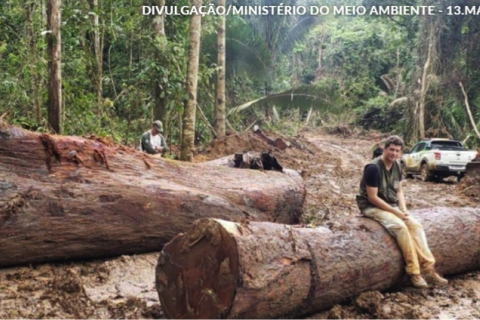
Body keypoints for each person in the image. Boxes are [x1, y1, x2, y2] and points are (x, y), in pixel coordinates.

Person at [356, 135, 448, 288]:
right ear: (384, 149)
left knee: (415, 225)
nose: (394, 153)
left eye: (397, 151)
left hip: (392, 204)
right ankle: (414, 272)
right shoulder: (373, 168)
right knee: (401, 227)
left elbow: (399, 191)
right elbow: (372, 198)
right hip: (372, 206)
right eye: (391, 149)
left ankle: (428, 269)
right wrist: (396, 213)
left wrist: (403, 210)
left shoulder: (397, 166)